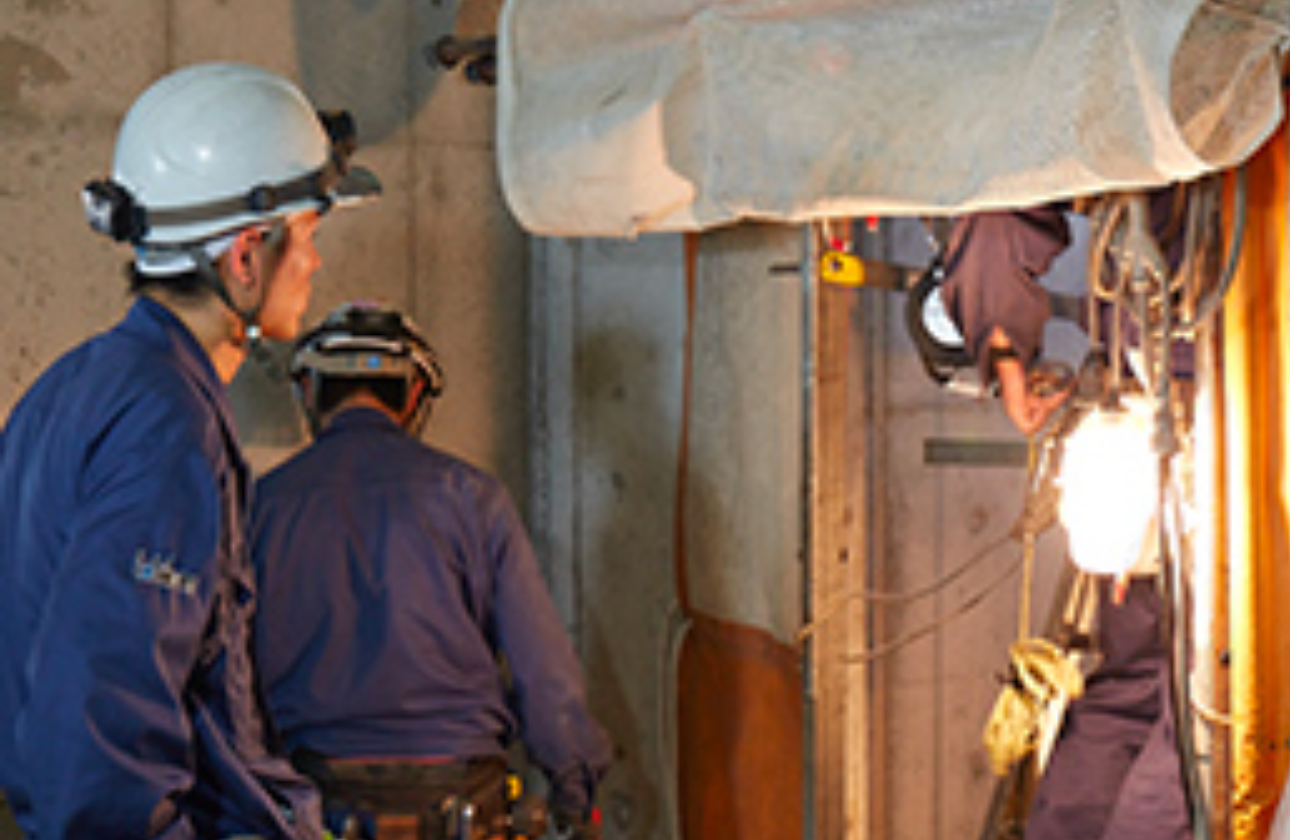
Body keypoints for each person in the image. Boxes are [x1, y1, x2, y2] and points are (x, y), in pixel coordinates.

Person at [0, 62, 380, 839]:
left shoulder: (74, 386)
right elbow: (102, 736)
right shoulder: (164, 426)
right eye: (307, 236)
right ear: (245, 256)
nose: (314, 264)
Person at [250, 302, 613, 840]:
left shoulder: (261, 506)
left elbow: (224, 673)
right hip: (462, 795)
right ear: (416, 394)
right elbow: (543, 670)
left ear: (308, 391)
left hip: (311, 796)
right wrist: (573, 794)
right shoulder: (472, 497)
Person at [936, 196, 1199, 840]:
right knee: (1187, 693)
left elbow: (1006, 182)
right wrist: (1003, 347)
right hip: (1170, 414)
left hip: (1192, 408)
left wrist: (1002, 345)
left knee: (1171, 690)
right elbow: (1005, 190)